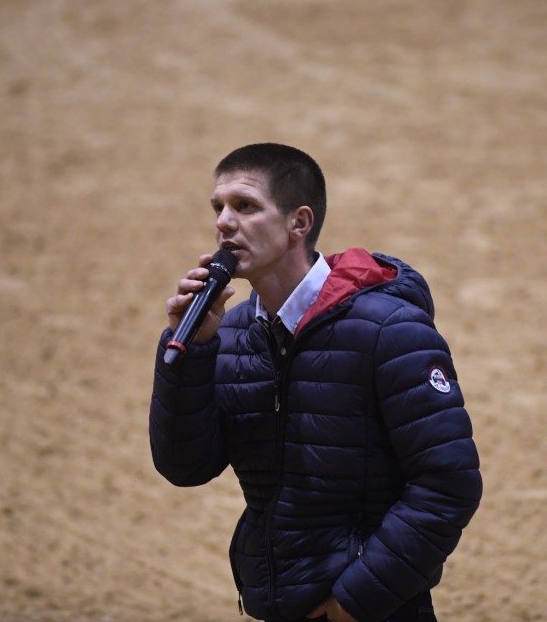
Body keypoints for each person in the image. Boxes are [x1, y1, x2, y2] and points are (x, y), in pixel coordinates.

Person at [149, 143, 482, 622]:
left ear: (298, 223)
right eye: (217, 208)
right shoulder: (233, 334)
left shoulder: (388, 330)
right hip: (276, 606)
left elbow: (448, 483)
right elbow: (186, 466)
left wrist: (353, 602)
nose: (224, 221)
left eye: (245, 206)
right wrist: (192, 351)